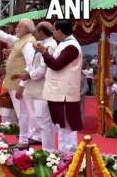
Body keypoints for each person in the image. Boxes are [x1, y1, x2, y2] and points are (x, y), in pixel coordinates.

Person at [0, 18, 36, 149]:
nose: (16, 29)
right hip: (15, 83)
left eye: (19, 27)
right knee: (23, 113)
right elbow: (5, 36)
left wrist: (22, 85)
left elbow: (31, 64)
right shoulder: (21, 40)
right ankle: (25, 138)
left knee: (25, 112)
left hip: (21, 83)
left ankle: (29, 137)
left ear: (26, 29)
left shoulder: (28, 43)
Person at [33, 20, 83, 153]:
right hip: (57, 91)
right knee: (60, 124)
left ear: (60, 32)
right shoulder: (65, 44)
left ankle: (69, 155)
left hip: (64, 93)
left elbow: (56, 65)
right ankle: (59, 153)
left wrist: (44, 52)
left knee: (67, 126)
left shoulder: (71, 46)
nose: (53, 33)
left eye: (54, 30)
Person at [12, 21, 57, 150]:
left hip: (42, 89)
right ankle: (47, 150)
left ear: (42, 32)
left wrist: (29, 75)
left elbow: (42, 70)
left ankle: (48, 151)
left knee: (44, 122)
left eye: (36, 31)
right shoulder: (43, 44)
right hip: (38, 89)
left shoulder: (49, 46)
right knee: (42, 121)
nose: (34, 33)